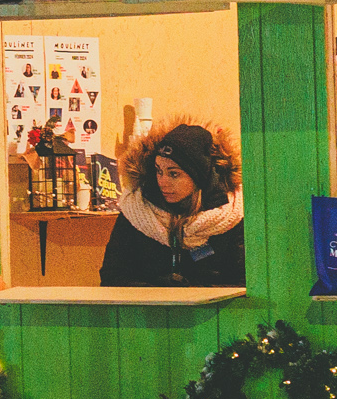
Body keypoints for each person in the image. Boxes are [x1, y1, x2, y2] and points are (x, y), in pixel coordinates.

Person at [98, 123, 244, 288]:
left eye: (174, 174)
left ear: (198, 177)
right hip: (150, 311)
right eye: (158, 171)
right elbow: (113, 277)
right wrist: (158, 291)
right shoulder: (136, 211)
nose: (163, 182)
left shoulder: (231, 216)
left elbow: (245, 282)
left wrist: (195, 291)